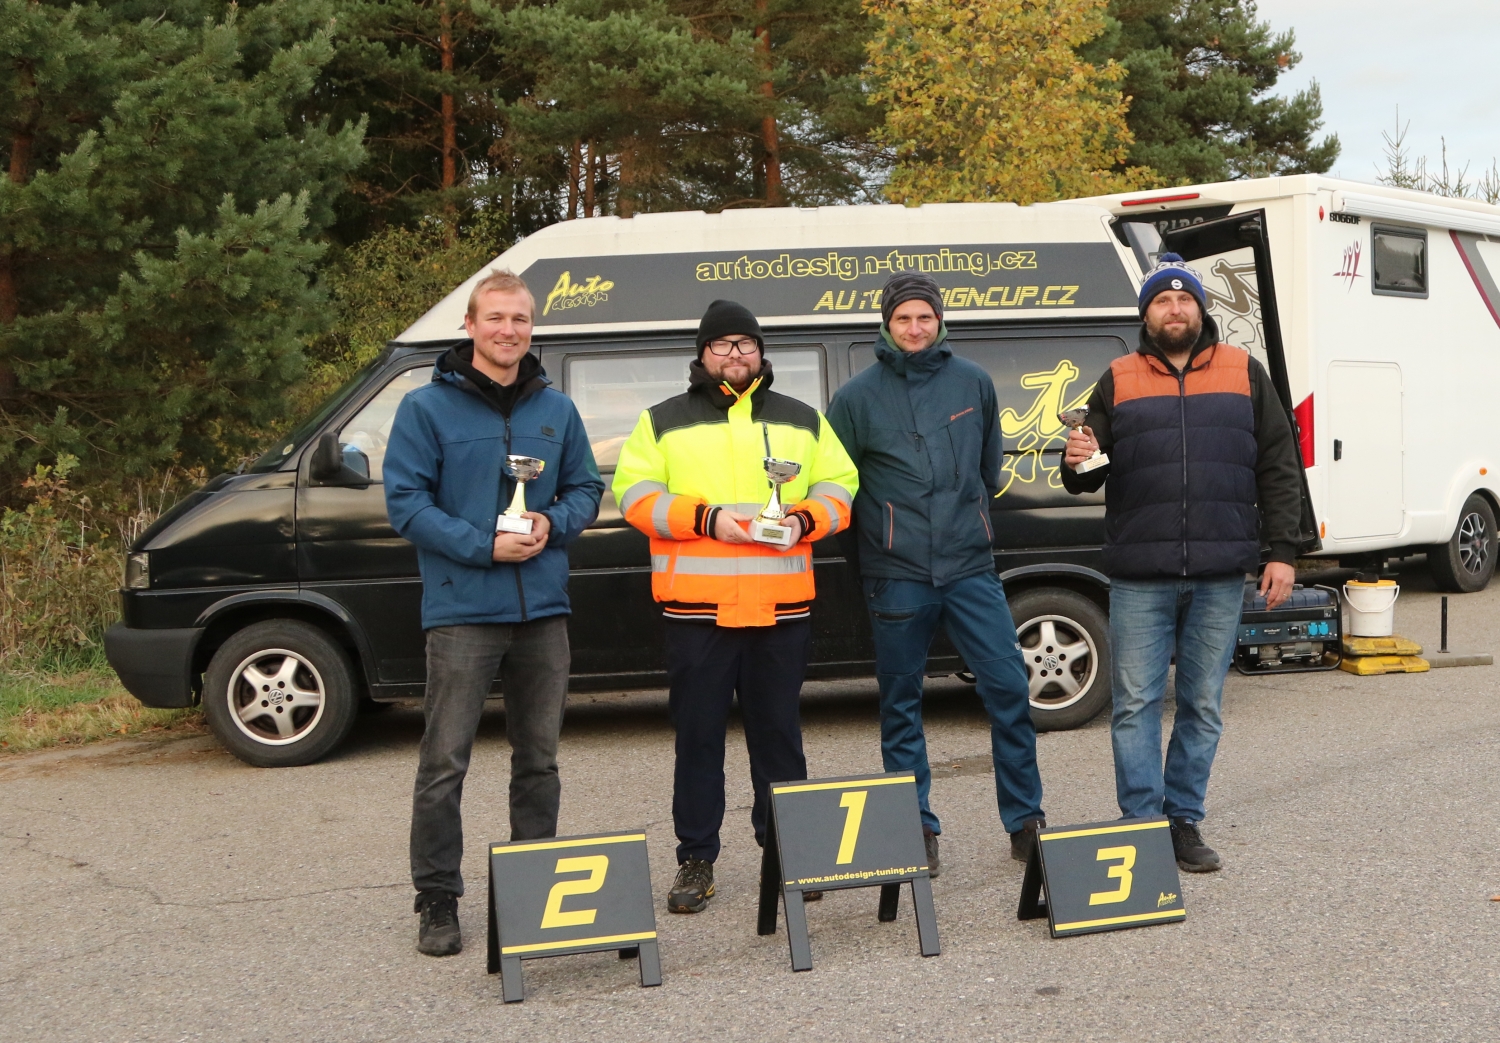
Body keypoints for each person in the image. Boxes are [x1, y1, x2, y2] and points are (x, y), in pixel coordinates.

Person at [612, 299, 859, 913]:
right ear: (702, 354)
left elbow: (841, 485)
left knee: (780, 738)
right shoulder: (661, 421)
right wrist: (704, 519)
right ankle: (697, 858)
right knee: (698, 740)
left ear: (760, 352)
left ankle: (789, 849)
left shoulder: (803, 419)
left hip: (780, 609)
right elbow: (634, 494)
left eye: (745, 344)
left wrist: (803, 519)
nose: (735, 354)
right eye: (722, 344)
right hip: (699, 612)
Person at [384, 269, 604, 956]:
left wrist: (550, 522)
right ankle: (437, 898)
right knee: (444, 761)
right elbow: (406, 504)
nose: (509, 330)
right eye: (497, 317)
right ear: (471, 325)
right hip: (462, 611)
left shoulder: (556, 410)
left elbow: (587, 488)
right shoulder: (425, 409)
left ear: (532, 327)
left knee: (539, 760)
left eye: (521, 319)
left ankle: (532, 889)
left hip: (543, 610)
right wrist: (484, 545)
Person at [1061, 252, 1302, 873]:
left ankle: (1183, 820)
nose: (1174, 309)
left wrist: (1283, 551)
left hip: (1221, 572)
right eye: (1163, 301)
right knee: (1134, 705)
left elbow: (1279, 465)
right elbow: (1088, 475)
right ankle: (1141, 825)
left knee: (1202, 705)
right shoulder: (1118, 378)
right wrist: (1076, 457)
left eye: (1184, 299)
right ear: (1147, 315)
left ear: (1200, 309)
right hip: (1140, 574)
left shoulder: (1244, 371)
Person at [826, 272, 1046, 877]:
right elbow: (838, 488)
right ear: (886, 324)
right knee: (901, 704)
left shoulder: (973, 381)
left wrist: (966, 525)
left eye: (924, 317)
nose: (915, 328)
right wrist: (875, 557)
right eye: (903, 318)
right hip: (897, 573)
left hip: (970, 567)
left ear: (940, 321)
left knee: (1008, 690)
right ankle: (916, 826)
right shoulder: (855, 397)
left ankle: (1026, 821)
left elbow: (988, 468)